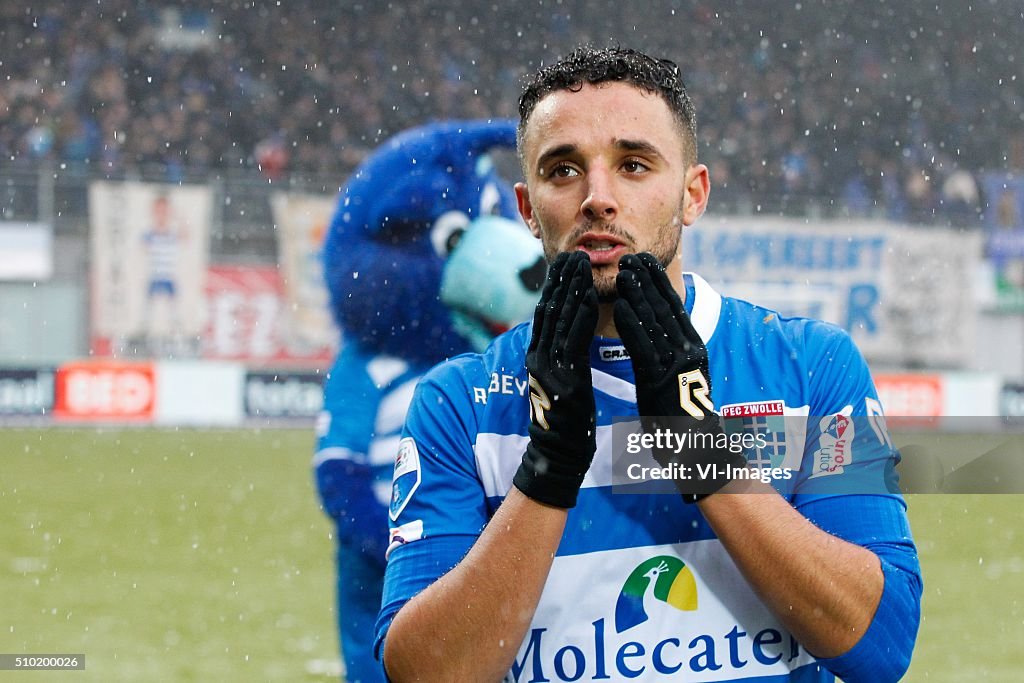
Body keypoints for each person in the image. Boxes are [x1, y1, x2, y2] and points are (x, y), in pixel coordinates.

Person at [375, 46, 922, 683]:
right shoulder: (458, 403)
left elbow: (880, 646)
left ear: (692, 194)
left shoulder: (813, 366)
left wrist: (703, 455)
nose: (597, 198)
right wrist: (547, 473)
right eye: (563, 170)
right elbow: (425, 674)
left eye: (633, 165)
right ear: (527, 209)